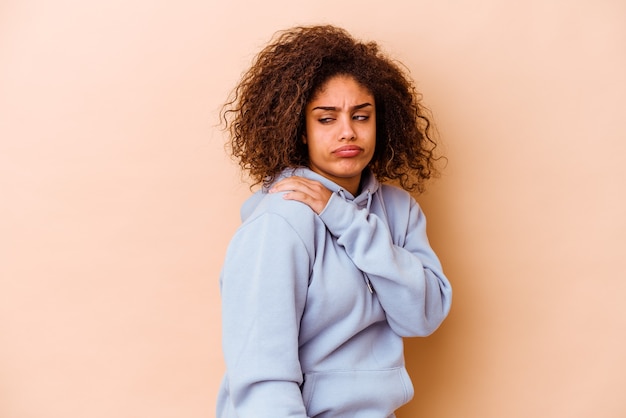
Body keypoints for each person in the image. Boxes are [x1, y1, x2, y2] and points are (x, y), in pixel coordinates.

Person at [216, 24, 452, 418]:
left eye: (361, 116)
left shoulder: (398, 209)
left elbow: (423, 316)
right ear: (301, 130)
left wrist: (345, 218)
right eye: (326, 119)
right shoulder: (281, 220)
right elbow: (262, 377)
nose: (348, 132)